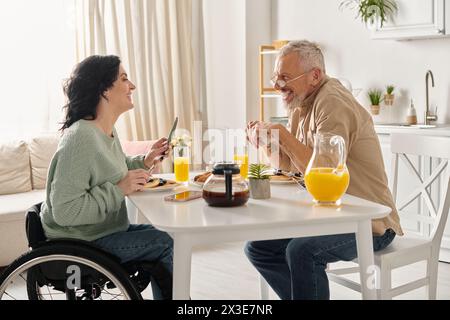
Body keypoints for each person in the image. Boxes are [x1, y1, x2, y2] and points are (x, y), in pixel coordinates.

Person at [245, 40, 403, 300]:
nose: (276, 85)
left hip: (369, 223)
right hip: (331, 216)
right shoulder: (301, 104)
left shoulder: (333, 102)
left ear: (314, 76)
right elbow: (286, 164)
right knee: (258, 248)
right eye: (275, 77)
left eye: (284, 77)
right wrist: (266, 142)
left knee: (301, 251)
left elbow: (323, 172)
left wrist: (282, 134)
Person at [41, 55, 173, 300]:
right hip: (81, 241)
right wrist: (119, 190)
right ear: (104, 90)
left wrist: (145, 160)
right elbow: (65, 211)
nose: (132, 86)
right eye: (124, 79)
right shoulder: (81, 137)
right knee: (165, 242)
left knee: (170, 233)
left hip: (101, 231)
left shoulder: (104, 130)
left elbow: (113, 170)